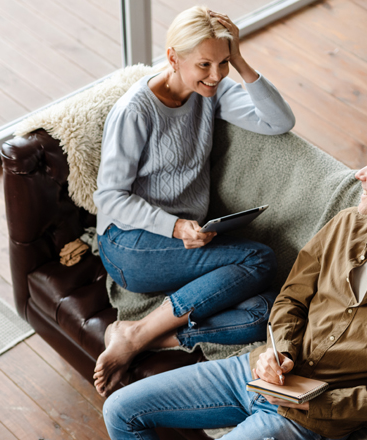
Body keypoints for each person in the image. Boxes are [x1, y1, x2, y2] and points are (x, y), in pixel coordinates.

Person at [101, 118, 367, 440]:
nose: (360, 175)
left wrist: (316, 404)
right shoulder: (345, 224)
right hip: (256, 372)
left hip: (309, 420)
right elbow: (291, 299)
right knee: (119, 410)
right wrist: (279, 354)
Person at [92, 6, 296, 397]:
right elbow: (110, 198)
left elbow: (278, 121)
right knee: (259, 259)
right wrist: (174, 226)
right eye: (204, 64)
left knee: (264, 311)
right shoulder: (135, 111)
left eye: (222, 63)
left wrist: (238, 57)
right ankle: (135, 333)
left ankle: (147, 338)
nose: (216, 75)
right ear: (172, 57)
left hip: (186, 241)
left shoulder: (211, 94)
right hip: (128, 243)